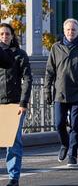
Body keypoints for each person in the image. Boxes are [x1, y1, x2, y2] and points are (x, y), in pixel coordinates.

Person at [44, 18, 78, 166]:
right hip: (60, 92)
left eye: (74, 30)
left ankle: (72, 154)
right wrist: (47, 91)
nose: (71, 32)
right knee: (59, 124)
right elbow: (49, 72)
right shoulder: (55, 48)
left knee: (75, 125)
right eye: (68, 30)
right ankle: (64, 144)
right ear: (64, 31)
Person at [0, 23, 32, 186]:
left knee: (13, 142)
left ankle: (13, 177)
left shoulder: (20, 54)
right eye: (2, 34)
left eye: (7, 34)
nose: (5, 36)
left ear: (12, 36)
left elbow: (27, 79)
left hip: (14, 104)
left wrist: (23, 102)